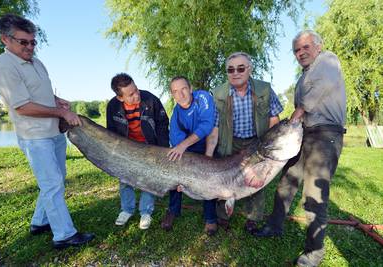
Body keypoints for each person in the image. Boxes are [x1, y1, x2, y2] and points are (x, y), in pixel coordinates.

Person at [0, 14, 94, 249]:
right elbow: (22, 106)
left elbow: (40, 93)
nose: (30, 47)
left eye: (33, 42)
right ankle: (64, 235)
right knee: (52, 184)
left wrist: (58, 101)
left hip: (53, 132)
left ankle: (40, 221)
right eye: (23, 42)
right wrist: (62, 114)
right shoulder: (2, 65)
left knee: (56, 180)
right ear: (6, 39)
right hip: (35, 136)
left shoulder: (36, 63)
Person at [253, 30, 346, 267]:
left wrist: (298, 111)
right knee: (286, 182)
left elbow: (316, 94)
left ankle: (313, 254)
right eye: (296, 50)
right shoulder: (302, 78)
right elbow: (298, 113)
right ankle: (274, 226)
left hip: (326, 136)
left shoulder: (327, 60)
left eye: (305, 47)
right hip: (305, 135)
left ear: (318, 46)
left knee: (314, 195)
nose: (300, 52)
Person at [209, 52, 283, 233]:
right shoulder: (219, 93)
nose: (235, 72)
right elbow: (215, 127)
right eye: (230, 69)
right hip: (231, 142)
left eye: (241, 68)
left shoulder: (264, 90)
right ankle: (223, 216)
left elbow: (274, 118)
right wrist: (208, 155)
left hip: (256, 141)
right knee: (224, 179)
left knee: (258, 180)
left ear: (249, 69)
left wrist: (268, 143)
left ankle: (253, 218)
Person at [107, 73, 169, 230]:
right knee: (124, 179)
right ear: (120, 98)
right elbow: (111, 131)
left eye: (136, 89)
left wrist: (162, 149)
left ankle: (146, 212)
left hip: (149, 147)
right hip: (126, 149)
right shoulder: (113, 106)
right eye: (131, 94)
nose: (137, 95)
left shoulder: (150, 99)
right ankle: (127, 210)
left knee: (148, 179)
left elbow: (162, 124)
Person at [160, 76, 219, 236]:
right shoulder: (176, 115)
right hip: (189, 151)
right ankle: (173, 210)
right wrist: (182, 176)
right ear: (172, 95)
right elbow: (178, 146)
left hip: (208, 144)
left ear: (191, 88)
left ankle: (210, 217)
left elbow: (207, 126)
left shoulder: (203, 97)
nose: (180, 94)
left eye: (183, 89)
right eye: (175, 92)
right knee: (175, 171)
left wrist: (205, 156)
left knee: (209, 177)